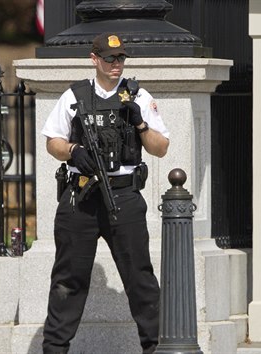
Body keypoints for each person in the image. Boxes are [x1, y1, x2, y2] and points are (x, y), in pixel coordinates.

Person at [40, 32, 170, 354]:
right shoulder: (75, 95)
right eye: (110, 58)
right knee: (67, 281)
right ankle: (54, 350)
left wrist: (141, 125)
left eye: (121, 58)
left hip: (123, 196)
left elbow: (161, 148)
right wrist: (73, 150)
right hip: (81, 198)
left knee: (140, 279)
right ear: (94, 59)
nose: (117, 64)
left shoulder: (137, 97)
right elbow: (51, 141)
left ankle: (156, 347)